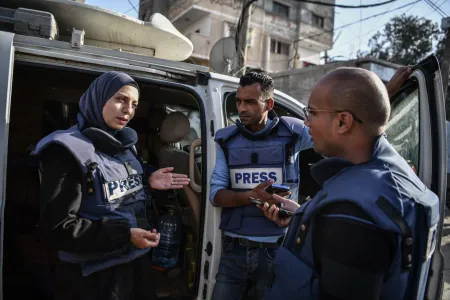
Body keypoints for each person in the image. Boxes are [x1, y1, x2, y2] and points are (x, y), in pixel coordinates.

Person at [260, 67, 439, 300]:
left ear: (343, 122)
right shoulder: (387, 171)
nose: (306, 122)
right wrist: (303, 216)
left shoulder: (351, 214)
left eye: (312, 112)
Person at [33, 71, 190, 300]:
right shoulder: (66, 150)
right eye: (120, 99)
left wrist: (146, 182)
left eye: (134, 104)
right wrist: (125, 235)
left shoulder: (124, 145)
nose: (128, 110)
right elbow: (58, 229)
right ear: (99, 98)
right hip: (94, 277)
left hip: (135, 263)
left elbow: (110, 191)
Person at [210, 72, 313, 300]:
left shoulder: (294, 133)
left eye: (249, 102)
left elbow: (338, 138)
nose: (242, 108)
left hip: (276, 249)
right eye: (238, 101)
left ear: (268, 103)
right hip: (234, 250)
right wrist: (252, 196)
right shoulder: (227, 141)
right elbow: (215, 195)